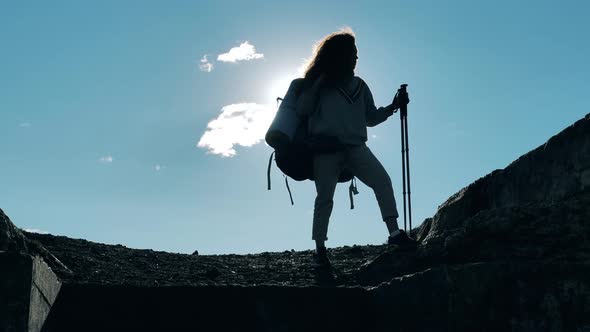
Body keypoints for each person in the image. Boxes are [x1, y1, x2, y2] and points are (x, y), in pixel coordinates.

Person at [295, 28, 418, 267]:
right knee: (325, 198)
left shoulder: (360, 85)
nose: (356, 58)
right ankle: (320, 248)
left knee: (382, 181)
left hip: (355, 147)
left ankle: (394, 234)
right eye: (353, 53)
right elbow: (303, 109)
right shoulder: (320, 84)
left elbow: (370, 118)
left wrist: (392, 107)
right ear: (340, 55)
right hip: (326, 149)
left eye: (356, 54)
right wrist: (318, 83)